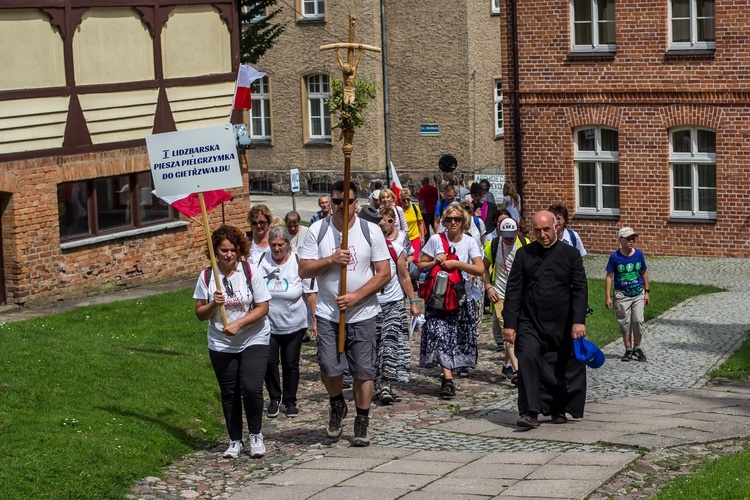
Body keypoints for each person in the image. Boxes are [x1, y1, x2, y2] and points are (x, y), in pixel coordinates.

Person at [299, 181, 391, 447]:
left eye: (346, 201)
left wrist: (355, 297)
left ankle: (362, 418)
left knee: (363, 370)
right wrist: (330, 260)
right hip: (328, 311)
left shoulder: (369, 231)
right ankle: (337, 404)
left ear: (355, 203)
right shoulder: (318, 230)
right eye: (336, 201)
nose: (341, 206)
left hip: (362, 312)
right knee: (329, 364)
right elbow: (304, 270)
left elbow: (384, 273)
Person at [502, 211, 588, 430]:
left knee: (558, 364)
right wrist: (510, 324)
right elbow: (513, 291)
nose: (542, 235)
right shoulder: (523, 255)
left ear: (556, 227)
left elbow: (579, 288)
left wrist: (578, 321)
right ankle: (530, 412)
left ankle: (557, 408)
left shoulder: (570, 255)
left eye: (546, 229)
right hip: (530, 320)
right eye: (537, 230)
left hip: (562, 321)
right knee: (529, 357)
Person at [193, 225, 271, 458]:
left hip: (253, 336)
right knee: (229, 392)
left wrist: (239, 324)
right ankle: (235, 440)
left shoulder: (249, 271)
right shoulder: (207, 276)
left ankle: (256, 434)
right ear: (215, 251)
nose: (229, 254)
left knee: (251, 388)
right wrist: (214, 304)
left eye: (233, 250)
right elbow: (199, 314)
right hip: (220, 342)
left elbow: (263, 307)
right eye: (223, 250)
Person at [418, 205, 485, 399]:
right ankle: (447, 379)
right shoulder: (435, 240)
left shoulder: (470, 242)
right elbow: (421, 264)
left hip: (461, 297)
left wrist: (456, 264)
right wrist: (434, 262)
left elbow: (479, 268)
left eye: (456, 219)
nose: (453, 222)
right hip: (438, 297)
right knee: (439, 334)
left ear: (463, 222)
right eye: (449, 219)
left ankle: (453, 370)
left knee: (458, 337)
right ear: (444, 222)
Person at [359, 207, 419, 405]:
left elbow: (404, 276)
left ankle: (386, 384)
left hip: (393, 303)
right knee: (374, 346)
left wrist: (413, 302)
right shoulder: (363, 254)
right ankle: (376, 384)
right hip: (371, 305)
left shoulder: (396, 250)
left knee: (390, 344)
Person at [258, 226, 317, 419]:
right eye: (273, 245)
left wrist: (315, 318)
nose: (276, 249)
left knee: (291, 363)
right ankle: (274, 398)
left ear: (287, 244)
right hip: (268, 324)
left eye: (280, 245)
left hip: (294, 323)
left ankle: (290, 401)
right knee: (269, 362)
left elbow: (310, 293)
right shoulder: (260, 262)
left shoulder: (298, 262)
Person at [483, 217, 528, 383]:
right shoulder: (493, 245)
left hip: (521, 295)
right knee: (509, 333)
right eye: (506, 236)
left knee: (520, 331)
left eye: (512, 236)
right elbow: (483, 268)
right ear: (500, 233)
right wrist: (489, 287)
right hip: (500, 295)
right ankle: (519, 372)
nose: (509, 239)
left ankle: (507, 365)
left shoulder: (525, 243)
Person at [605, 227, 650, 362]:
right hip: (622, 294)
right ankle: (628, 349)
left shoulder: (638, 255)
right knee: (624, 322)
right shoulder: (615, 257)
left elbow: (644, 272)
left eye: (633, 238)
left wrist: (647, 292)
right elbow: (609, 276)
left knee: (638, 321)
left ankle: (637, 347)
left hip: (638, 293)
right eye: (628, 238)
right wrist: (608, 296)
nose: (632, 241)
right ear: (620, 240)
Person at [399, 188, 425, 258]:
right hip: (404, 239)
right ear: (401, 200)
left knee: (415, 258)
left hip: (415, 237)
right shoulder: (399, 211)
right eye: (404, 200)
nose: (406, 201)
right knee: (405, 258)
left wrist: (422, 237)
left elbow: (420, 223)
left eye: (408, 199)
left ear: (410, 198)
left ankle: (415, 269)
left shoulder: (415, 208)